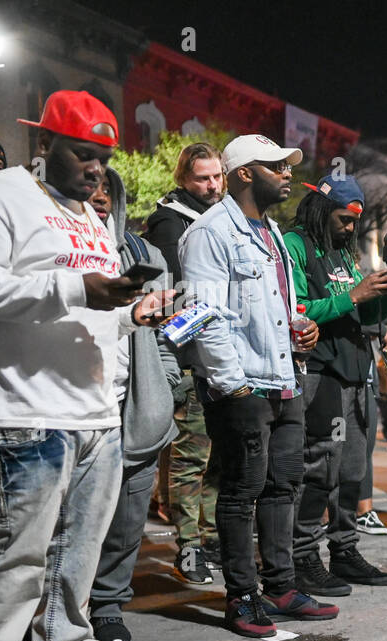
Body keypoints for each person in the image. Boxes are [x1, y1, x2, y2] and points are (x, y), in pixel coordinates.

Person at [0, 90, 174, 641]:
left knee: (79, 556)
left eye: (102, 158)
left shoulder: (89, 218)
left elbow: (98, 309)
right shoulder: (4, 194)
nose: (95, 170)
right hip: (28, 412)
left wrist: (134, 314)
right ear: (44, 146)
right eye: (82, 155)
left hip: (95, 413)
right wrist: (80, 287)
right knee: (18, 558)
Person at [180, 133, 337, 638]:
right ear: (244, 172)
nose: (288, 174)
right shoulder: (211, 232)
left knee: (282, 486)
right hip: (242, 385)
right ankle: (241, 596)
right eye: (276, 166)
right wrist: (234, 387)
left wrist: (303, 326)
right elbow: (204, 316)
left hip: (285, 378)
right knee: (241, 489)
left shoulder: (271, 233)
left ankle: (281, 585)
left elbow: (277, 308)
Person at [283, 173, 387, 594]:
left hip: (355, 372)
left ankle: (345, 550)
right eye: (343, 219)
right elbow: (295, 309)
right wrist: (354, 295)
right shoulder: (294, 245)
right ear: (320, 209)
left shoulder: (344, 254)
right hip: (319, 373)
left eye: (355, 221)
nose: (351, 228)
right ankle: (303, 556)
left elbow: (366, 316)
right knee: (320, 469)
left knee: (352, 468)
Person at [86, 166, 180, 641]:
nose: (101, 196)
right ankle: (64, 614)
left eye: (110, 189)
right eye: (93, 186)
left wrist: (167, 384)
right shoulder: (58, 250)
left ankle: (106, 608)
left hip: (136, 404)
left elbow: (166, 331)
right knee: (73, 521)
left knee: (127, 518)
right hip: (79, 405)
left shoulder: (146, 256)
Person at [143, 142, 225, 585]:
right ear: (184, 180)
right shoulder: (170, 220)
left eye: (216, 176)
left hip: (220, 358)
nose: (212, 185)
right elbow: (178, 293)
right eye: (202, 179)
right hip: (191, 358)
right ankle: (189, 546)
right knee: (191, 455)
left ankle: (209, 539)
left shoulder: (222, 216)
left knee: (216, 455)